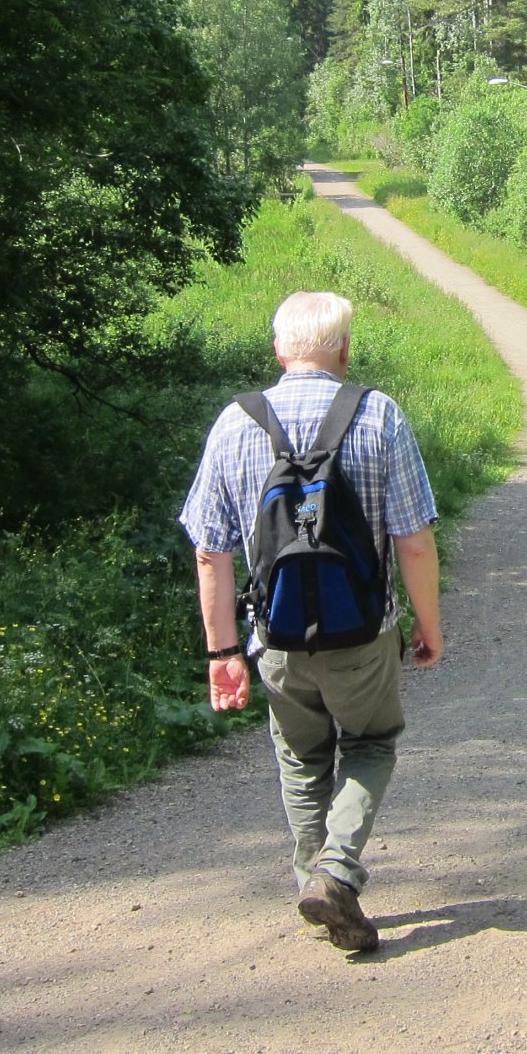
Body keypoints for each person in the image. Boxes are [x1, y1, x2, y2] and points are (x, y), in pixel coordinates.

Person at [179, 291, 445, 952]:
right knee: (371, 742)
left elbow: (210, 552)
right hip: (364, 634)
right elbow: (413, 541)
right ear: (345, 350)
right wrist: (428, 623)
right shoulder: (378, 415)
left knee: (301, 758)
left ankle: (316, 888)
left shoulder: (235, 424)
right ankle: (336, 874)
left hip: (276, 637)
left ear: (278, 349)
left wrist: (222, 654)